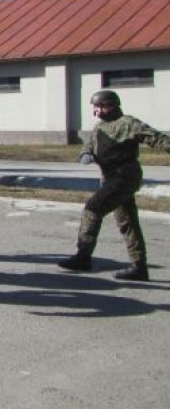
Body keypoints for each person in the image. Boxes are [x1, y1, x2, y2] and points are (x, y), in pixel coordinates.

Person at [58, 90, 170, 281]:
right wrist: (86, 154)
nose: (96, 110)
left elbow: (158, 139)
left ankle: (83, 257)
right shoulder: (100, 126)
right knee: (127, 222)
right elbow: (89, 144)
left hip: (124, 176)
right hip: (110, 178)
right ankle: (139, 267)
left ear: (110, 105)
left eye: (99, 106)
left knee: (93, 208)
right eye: (95, 107)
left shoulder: (128, 123)